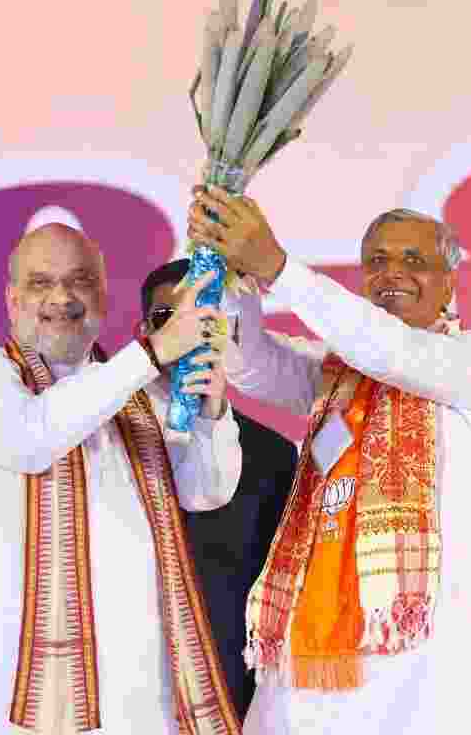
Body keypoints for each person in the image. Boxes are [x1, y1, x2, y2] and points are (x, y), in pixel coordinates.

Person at [187, 196, 471, 733]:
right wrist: (234, 278)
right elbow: (250, 364)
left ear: (451, 284)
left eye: (415, 261)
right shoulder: (336, 373)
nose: (393, 273)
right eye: (378, 261)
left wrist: (278, 268)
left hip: (425, 664)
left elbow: (389, 351)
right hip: (319, 647)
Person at [0, 223, 244, 735]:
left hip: (138, 696)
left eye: (79, 280)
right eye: (41, 283)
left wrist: (211, 410)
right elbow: (32, 439)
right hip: (22, 698)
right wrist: (151, 353)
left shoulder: (137, 389)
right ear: (11, 299)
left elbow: (205, 489)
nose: (61, 297)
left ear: (103, 297)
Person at [139, 258, 301, 717]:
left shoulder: (271, 455)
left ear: (225, 330)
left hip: (227, 694)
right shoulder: (101, 434)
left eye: (200, 319)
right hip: (125, 693)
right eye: (166, 318)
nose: (183, 335)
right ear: (143, 331)